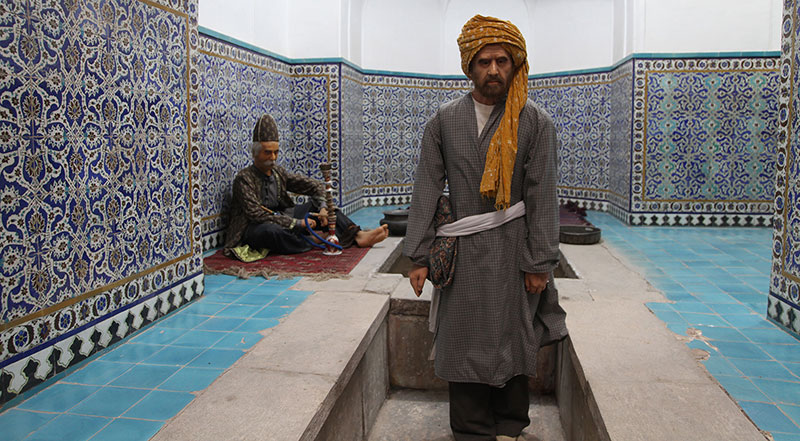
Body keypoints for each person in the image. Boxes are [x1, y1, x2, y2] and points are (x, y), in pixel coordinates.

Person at [403, 15, 568, 441]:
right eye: (483, 61)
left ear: (515, 64)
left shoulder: (535, 122)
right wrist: (418, 255)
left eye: (501, 60)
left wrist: (540, 262)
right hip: (462, 255)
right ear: (468, 66)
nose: (492, 70)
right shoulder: (443, 121)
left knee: (515, 336)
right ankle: (472, 430)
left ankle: (510, 426)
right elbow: (426, 187)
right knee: (462, 340)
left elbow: (542, 196)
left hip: (514, 251)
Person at [224, 113, 388, 259]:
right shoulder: (243, 179)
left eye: (276, 152)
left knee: (326, 208)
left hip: (282, 215)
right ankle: (312, 240)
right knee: (271, 232)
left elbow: (315, 186)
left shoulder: (278, 172)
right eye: (267, 152)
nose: (273, 157)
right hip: (254, 228)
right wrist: (297, 224)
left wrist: (323, 208)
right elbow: (257, 215)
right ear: (255, 153)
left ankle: (358, 235)